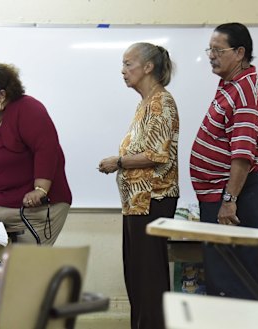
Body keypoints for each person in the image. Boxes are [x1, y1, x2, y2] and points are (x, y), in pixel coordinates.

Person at [98, 42, 179, 329]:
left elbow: (158, 154)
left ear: (148, 67)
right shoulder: (145, 103)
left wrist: (117, 162)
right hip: (136, 203)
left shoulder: (160, 102)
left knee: (149, 279)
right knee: (137, 277)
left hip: (152, 200)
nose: (123, 70)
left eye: (128, 63)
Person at [190, 23, 258, 299]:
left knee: (235, 278)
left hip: (235, 195)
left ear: (239, 53)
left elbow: (243, 154)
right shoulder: (230, 84)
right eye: (209, 49)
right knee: (220, 274)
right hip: (221, 193)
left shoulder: (246, 89)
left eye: (217, 50)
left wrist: (229, 199)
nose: (211, 55)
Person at [0, 61, 71, 245]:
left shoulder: (28, 109)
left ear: (2, 94)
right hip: (3, 218)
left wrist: (40, 189)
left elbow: (47, 149)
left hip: (31, 215)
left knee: (24, 270)